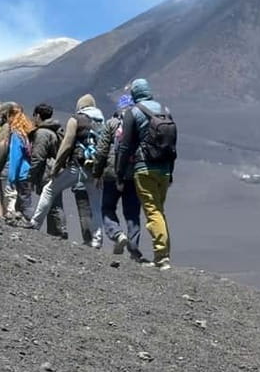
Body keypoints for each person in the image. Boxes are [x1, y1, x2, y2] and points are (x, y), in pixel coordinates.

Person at [24, 94, 104, 248]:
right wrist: (100, 171)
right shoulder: (101, 121)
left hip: (77, 166)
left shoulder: (76, 119)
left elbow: (67, 144)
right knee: (95, 204)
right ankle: (97, 240)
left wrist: (57, 167)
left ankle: (35, 223)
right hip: (94, 169)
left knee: (49, 190)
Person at [116, 79, 176, 269]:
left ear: (134, 94)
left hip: (144, 169)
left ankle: (162, 257)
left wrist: (120, 173)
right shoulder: (164, 111)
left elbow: (124, 146)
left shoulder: (134, 112)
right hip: (165, 169)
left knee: (152, 211)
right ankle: (164, 254)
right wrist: (171, 171)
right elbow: (172, 145)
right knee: (159, 210)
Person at [94, 93, 146, 262]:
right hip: (133, 173)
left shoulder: (111, 123)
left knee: (108, 208)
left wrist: (97, 172)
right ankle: (134, 248)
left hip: (112, 173)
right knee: (132, 213)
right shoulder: (139, 123)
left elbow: (102, 150)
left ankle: (116, 234)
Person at [28, 103, 67, 239]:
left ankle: (58, 232)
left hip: (47, 171)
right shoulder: (54, 131)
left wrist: (30, 176)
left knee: (51, 202)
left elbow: (38, 157)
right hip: (56, 170)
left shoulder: (42, 133)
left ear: (38, 115)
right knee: (55, 201)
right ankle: (57, 231)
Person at [6, 105, 34, 222]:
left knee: (24, 202)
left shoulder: (16, 135)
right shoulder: (26, 133)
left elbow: (15, 158)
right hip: (28, 171)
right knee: (24, 200)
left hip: (21, 174)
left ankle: (31, 223)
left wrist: (11, 178)